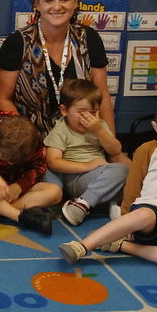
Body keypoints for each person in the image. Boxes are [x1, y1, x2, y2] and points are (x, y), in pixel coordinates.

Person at [59, 96, 157, 267]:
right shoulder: (147, 150)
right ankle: (83, 246)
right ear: (156, 128)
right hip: (152, 214)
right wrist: (126, 219)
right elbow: (133, 186)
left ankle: (124, 246)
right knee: (144, 215)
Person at [0, 0, 116, 139]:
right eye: (49, 0)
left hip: (82, 139)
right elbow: (2, 98)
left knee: (119, 166)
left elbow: (103, 96)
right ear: (37, 4)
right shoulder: (18, 43)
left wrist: (111, 144)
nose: (57, 7)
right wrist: (26, 141)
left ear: (75, 1)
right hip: (32, 137)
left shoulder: (88, 38)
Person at [44, 78, 129, 226]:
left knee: (127, 171)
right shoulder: (62, 129)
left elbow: (116, 150)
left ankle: (93, 204)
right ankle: (82, 205)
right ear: (64, 110)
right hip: (77, 178)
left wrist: (98, 130)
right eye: (82, 112)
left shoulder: (99, 126)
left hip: (103, 174)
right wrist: (87, 166)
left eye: (93, 112)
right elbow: (53, 162)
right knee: (121, 171)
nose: (88, 118)